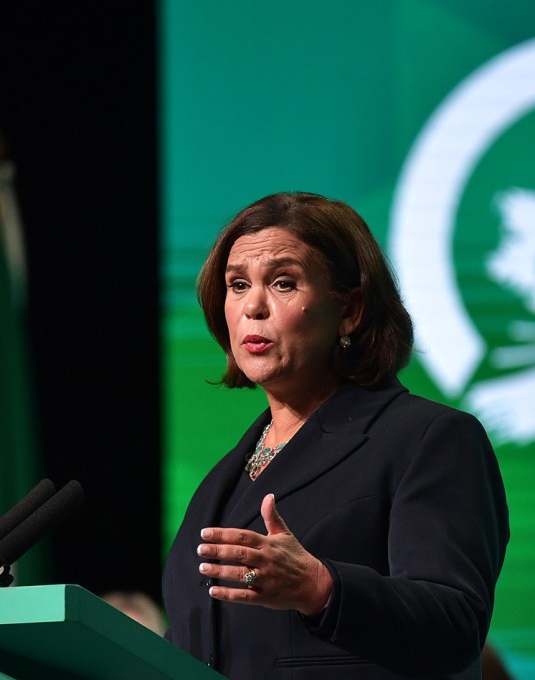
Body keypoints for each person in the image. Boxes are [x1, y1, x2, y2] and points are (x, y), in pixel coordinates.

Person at [163, 192, 509, 679]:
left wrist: (321, 588)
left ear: (350, 310)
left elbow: (455, 624)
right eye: (237, 285)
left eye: (284, 283)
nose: (253, 307)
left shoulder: (429, 440)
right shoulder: (222, 480)